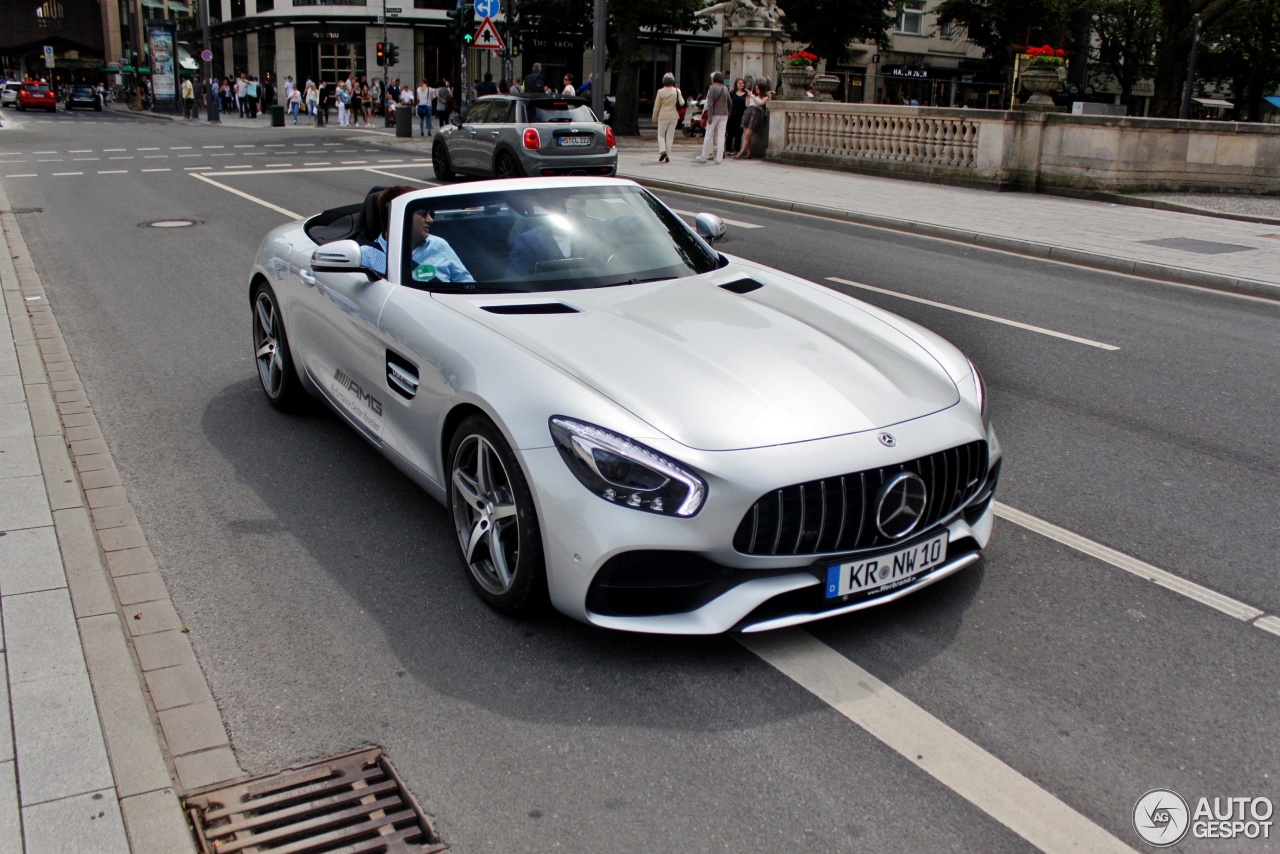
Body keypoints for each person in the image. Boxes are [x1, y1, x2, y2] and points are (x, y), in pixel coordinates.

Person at [359, 187, 473, 283]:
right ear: (398, 215)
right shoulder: (366, 255)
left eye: (431, 214)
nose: (430, 220)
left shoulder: (439, 245)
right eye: (423, 213)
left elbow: (467, 284)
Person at [505, 207, 600, 277]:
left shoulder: (586, 239)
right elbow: (515, 278)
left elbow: (599, 269)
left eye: (579, 215)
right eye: (569, 213)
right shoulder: (529, 241)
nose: (575, 219)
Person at [695, 72, 730, 164]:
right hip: (724, 114)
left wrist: (709, 117)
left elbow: (710, 104)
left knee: (708, 134)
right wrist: (727, 111)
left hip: (714, 114)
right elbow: (729, 102)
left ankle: (703, 156)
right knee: (721, 136)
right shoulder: (725, 88)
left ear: (714, 79)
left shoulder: (712, 88)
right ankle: (719, 158)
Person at [651, 73, 684, 163]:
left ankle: (662, 151)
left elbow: (657, 106)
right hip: (674, 116)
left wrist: (654, 117)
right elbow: (682, 103)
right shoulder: (677, 91)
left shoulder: (660, 92)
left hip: (663, 116)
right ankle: (668, 156)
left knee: (661, 135)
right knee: (670, 137)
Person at [735, 81, 769, 160]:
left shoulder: (765, 96)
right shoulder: (753, 95)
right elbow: (747, 105)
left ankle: (741, 152)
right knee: (746, 135)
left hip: (755, 113)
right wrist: (748, 97)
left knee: (747, 135)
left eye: (758, 88)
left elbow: (760, 104)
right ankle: (749, 153)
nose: (756, 90)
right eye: (756, 88)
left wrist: (752, 96)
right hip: (748, 112)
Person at [726, 77, 747, 156]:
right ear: (736, 84)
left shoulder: (746, 94)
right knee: (730, 133)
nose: (741, 84)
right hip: (732, 115)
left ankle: (737, 150)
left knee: (739, 134)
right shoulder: (732, 93)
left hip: (741, 116)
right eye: (739, 83)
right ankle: (728, 149)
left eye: (742, 83)